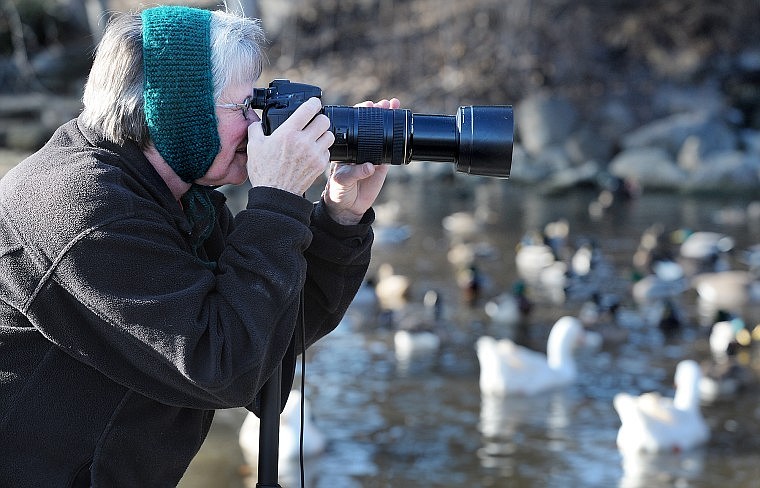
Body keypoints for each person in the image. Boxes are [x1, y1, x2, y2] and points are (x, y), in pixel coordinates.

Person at [0, 5, 399, 486]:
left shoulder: (183, 202)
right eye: (243, 107)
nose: (259, 126)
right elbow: (221, 365)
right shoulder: (85, 208)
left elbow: (270, 334)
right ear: (176, 110)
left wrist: (340, 216)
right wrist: (275, 203)